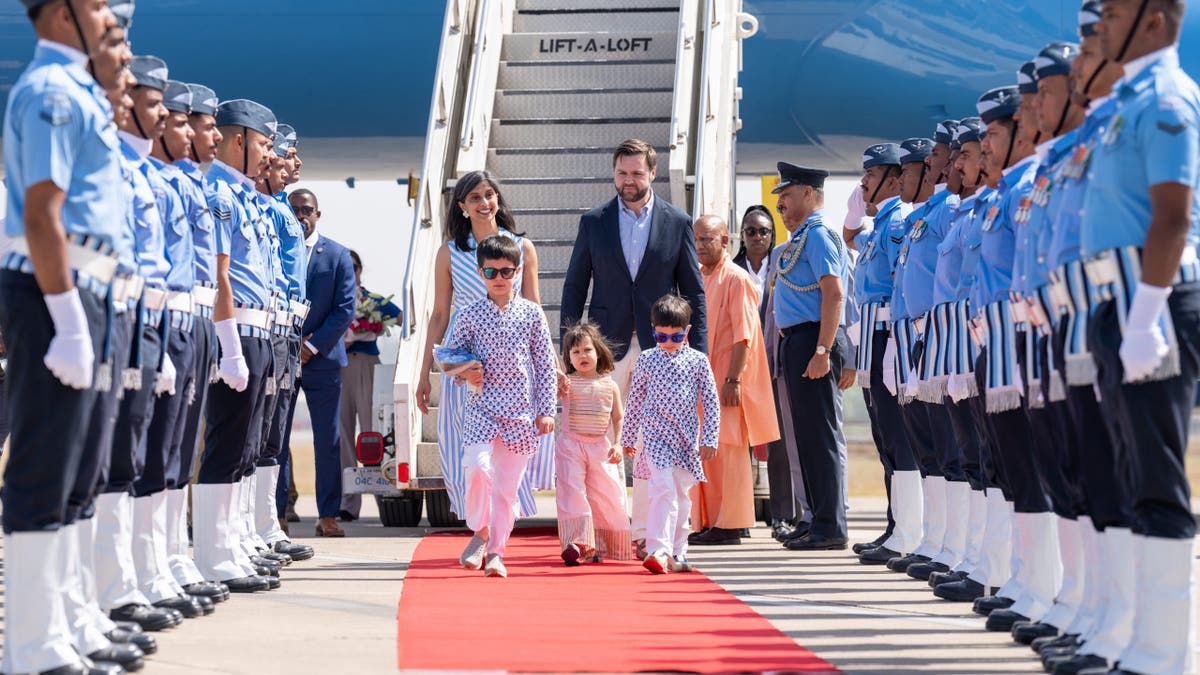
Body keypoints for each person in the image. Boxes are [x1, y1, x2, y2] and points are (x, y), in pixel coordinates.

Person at [1, 1, 126, 672]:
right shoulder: (52, 91)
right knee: (44, 468)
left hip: (84, 288)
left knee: (77, 471)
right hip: (55, 290)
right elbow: (41, 214)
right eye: (98, 5)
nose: (110, 18)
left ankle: (63, 626)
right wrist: (68, 319)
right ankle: (30, 644)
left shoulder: (78, 90)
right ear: (59, 15)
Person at [1076, 1, 1200, 672]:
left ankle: (1162, 651)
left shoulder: (1167, 98)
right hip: (1115, 301)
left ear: (1153, 19)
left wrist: (1148, 315)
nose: (1100, 24)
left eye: (1115, 11)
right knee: (1127, 476)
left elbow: (1172, 216)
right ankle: (1134, 637)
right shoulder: (1126, 101)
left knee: (1155, 480)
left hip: (1150, 300)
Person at [560, 138, 707, 556]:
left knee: (648, 442)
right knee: (601, 441)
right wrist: (567, 350)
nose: (629, 180)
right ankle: (602, 533)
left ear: (652, 173)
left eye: (637, 173)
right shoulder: (594, 222)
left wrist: (698, 355)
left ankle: (644, 533)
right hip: (606, 348)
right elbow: (575, 285)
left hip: (662, 349)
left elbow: (694, 293)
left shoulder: (677, 222)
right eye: (622, 173)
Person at [413, 170, 553, 526]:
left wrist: (554, 365)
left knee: (510, 450)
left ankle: (501, 522)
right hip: (466, 365)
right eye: (474, 197)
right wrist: (424, 374)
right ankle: (479, 523)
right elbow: (439, 314)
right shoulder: (449, 253)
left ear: (497, 199)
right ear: (462, 206)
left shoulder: (522, 248)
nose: (484, 202)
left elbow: (534, 307)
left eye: (489, 195)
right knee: (469, 451)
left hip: (512, 365)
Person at [194, 97, 280, 593]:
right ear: (239, 140)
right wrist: (228, 346)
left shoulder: (243, 196)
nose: (269, 154)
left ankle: (229, 544)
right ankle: (213, 553)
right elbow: (221, 276)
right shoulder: (220, 195)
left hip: (258, 329)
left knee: (245, 446)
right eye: (263, 144)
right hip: (238, 330)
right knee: (227, 444)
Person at [443, 235, 557, 579]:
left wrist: (546, 410)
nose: (499, 278)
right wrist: (466, 371)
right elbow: (449, 360)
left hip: (521, 414)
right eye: (491, 271)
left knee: (506, 490)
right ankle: (480, 530)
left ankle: (496, 552)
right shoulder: (468, 315)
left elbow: (545, 365)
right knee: (477, 469)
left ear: (517, 272)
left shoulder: (532, 314)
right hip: (481, 409)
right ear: (480, 273)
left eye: (506, 271)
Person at [841, 144, 922, 561]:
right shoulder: (882, 224)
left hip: (888, 335)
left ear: (892, 180)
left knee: (898, 434)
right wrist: (855, 211)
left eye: (870, 176)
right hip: (871, 336)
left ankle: (908, 531)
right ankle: (896, 525)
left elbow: (901, 285)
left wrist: (895, 344)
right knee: (884, 434)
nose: (863, 183)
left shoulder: (897, 224)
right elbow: (850, 237)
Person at [770, 162, 849, 551]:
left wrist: (822, 350)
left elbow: (834, 294)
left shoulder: (817, 236)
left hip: (813, 340)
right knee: (806, 437)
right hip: (797, 341)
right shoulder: (803, 237)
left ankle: (830, 526)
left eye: (786, 194)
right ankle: (816, 519)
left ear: (807, 192)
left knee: (820, 437)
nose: (781, 203)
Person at [688, 215, 779, 545]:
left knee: (729, 451)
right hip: (705, 382)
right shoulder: (701, 277)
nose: (699, 245)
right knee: (708, 451)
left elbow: (744, 337)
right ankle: (712, 521)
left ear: (725, 241)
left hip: (727, 382)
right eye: (696, 239)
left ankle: (730, 524)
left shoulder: (737, 279)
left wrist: (733, 380)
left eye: (707, 239)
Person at [620, 294, 719, 574]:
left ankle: (678, 551)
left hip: (686, 441)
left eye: (676, 337)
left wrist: (709, 438)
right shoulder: (647, 359)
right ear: (652, 330)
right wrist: (628, 437)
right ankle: (658, 550)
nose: (668, 343)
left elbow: (711, 401)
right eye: (661, 337)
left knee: (681, 495)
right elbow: (635, 400)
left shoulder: (698, 361)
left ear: (687, 331)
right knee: (661, 488)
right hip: (655, 437)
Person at [279, 187, 356, 538]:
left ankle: (328, 515)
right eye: (294, 209)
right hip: (282, 355)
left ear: (317, 214)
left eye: (306, 210)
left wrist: (311, 346)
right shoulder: (276, 251)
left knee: (328, 440)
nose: (300, 216)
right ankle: (278, 514)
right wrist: (291, 345)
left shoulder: (337, 255)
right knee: (276, 440)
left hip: (322, 360)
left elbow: (345, 309)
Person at [735, 205, 802, 539]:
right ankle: (738, 515)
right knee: (737, 444)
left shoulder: (784, 264)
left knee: (778, 441)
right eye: (751, 231)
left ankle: (783, 516)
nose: (758, 236)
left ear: (772, 235)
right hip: (739, 364)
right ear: (742, 235)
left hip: (774, 363)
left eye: (764, 231)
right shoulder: (732, 269)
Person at [554, 322, 631, 565]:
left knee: (606, 494)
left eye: (587, 350)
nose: (582, 356)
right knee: (572, 491)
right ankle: (576, 543)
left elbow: (619, 418)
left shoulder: (610, 385)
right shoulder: (566, 383)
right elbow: (550, 394)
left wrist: (618, 443)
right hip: (570, 446)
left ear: (598, 351)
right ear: (568, 358)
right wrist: (557, 383)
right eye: (575, 352)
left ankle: (601, 545)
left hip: (600, 447)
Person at [339, 249, 401, 521]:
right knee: (341, 435)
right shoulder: (335, 300)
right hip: (340, 367)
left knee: (372, 433)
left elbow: (403, 318)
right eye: (344, 267)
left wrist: (371, 328)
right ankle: (347, 503)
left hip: (367, 364)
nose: (349, 271)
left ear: (360, 270)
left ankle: (382, 497)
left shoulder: (373, 301)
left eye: (353, 266)